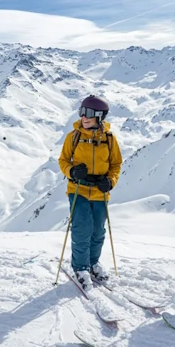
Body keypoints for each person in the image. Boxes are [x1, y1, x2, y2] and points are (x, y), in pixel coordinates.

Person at [58, 95, 123, 290]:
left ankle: (93, 262)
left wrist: (110, 181)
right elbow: (63, 161)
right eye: (82, 112)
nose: (84, 117)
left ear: (100, 117)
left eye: (89, 114)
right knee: (82, 229)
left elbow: (116, 164)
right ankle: (81, 267)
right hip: (78, 189)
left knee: (98, 231)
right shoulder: (74, 136)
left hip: (100, 192)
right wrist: (72, 172)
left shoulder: (109, 139)